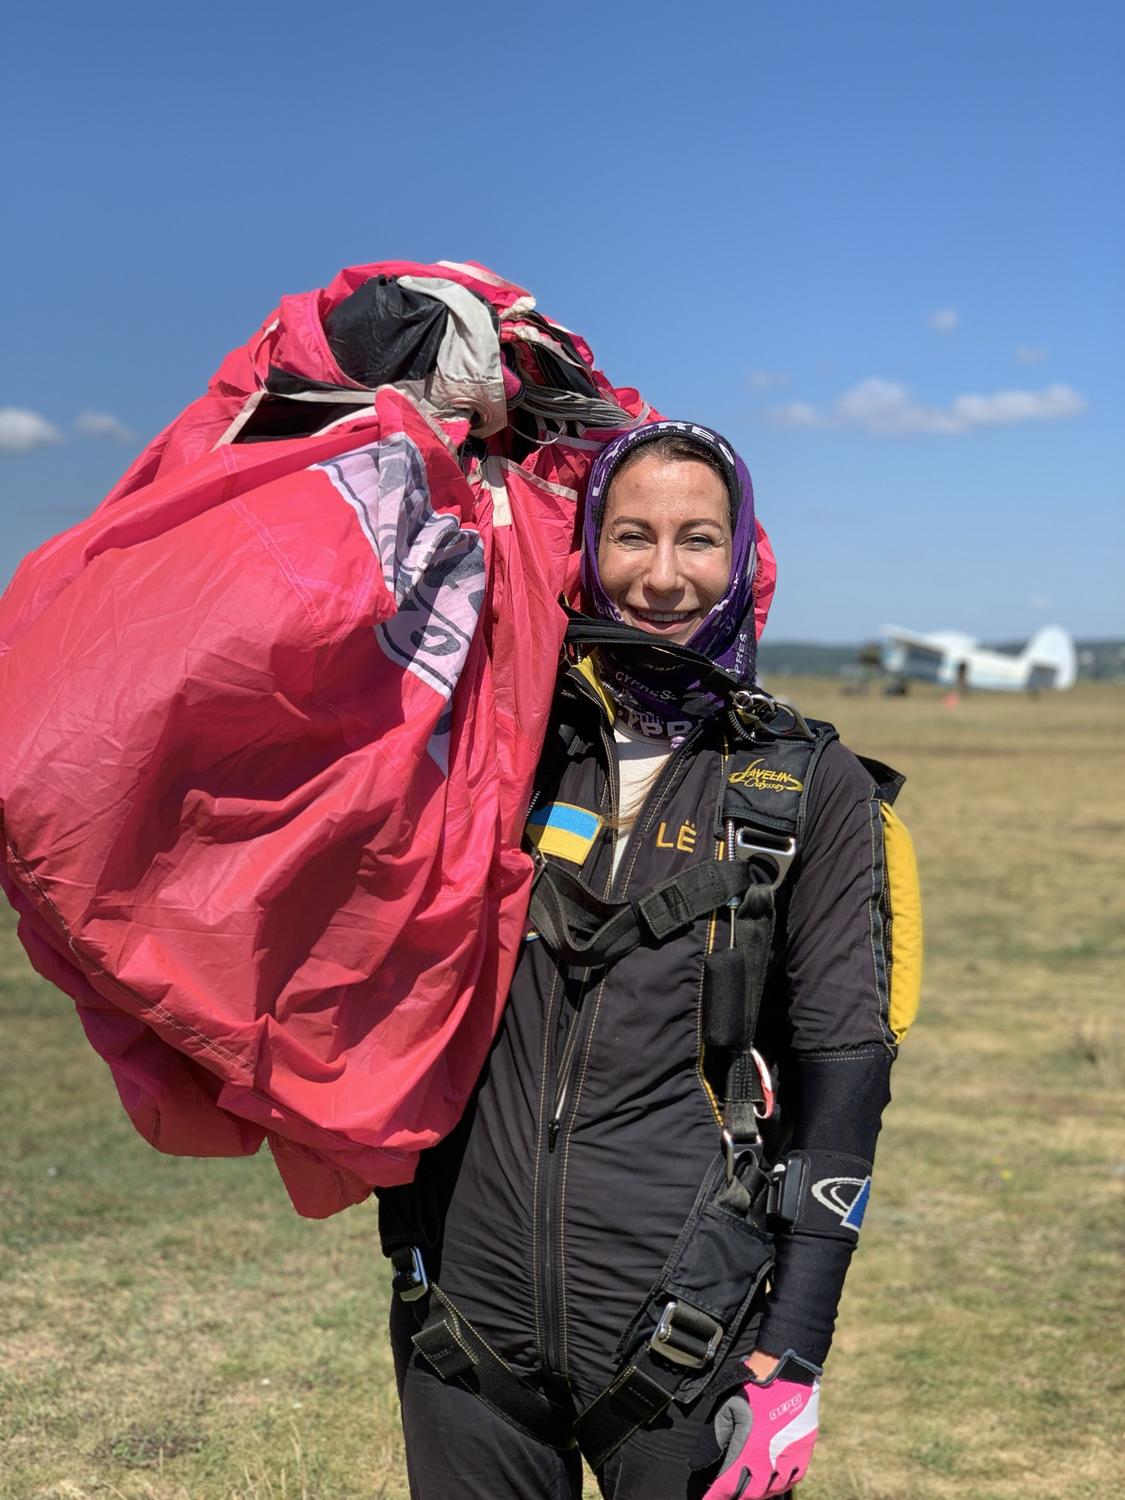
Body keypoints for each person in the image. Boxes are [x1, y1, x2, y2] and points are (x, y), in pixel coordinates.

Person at [378, 420, 922, 1499]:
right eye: (631, 535)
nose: (663, 577)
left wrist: (794, 1355)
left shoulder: (806, 785)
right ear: (587, 548)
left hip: (689, 1336)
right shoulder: (503, 739)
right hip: (462, 1321)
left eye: (697, 539)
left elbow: (844, 1081)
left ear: (742, 556)